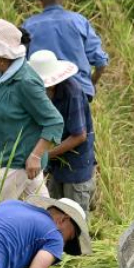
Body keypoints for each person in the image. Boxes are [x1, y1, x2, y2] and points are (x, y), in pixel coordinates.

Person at [0, 20, 64, 207]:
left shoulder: (25, 82)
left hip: (19, 163)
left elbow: (54, 121)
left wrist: (35, 156)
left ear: (1, 54)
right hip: (20, 165)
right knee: (42, 212)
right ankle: (57, 235)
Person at [19, 0, 109, 101]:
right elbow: (101, 62)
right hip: (79, 90)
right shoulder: (79, 21)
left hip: (42, 94)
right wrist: (91, 84)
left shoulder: (29, 25)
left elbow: (20, 64)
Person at [28, 50, 97, 213]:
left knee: (74, 215)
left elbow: (79, 136)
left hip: (75, 164)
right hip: (55, 164)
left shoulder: (71, 92)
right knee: (54, 212)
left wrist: (44, 155)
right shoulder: (37, 93)